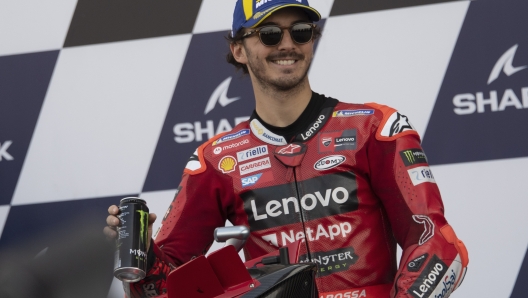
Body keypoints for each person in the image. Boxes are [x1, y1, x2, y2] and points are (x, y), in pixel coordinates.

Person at [104, 0, 469, 297]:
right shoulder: (216, 160)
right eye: (268, 33)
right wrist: (142, 255)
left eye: (300, 31)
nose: (286, 44)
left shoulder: (375, 128)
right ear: (238, 49)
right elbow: (167, 288)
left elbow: (438, 244)